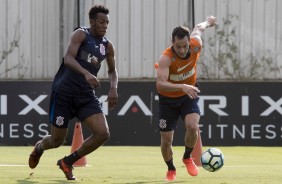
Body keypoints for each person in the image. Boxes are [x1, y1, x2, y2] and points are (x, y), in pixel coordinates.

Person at [28, 5, 118, 180]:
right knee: (56, 141)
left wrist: (114, 88)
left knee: (103, 133)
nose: (105, 25)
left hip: (85, 95)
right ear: (92, 21)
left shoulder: (107, 46)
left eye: (107, 22)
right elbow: (68, 58)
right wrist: (86, 73)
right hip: (64, 94)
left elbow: (113, 71)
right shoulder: (80, 35)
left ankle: (67, 162)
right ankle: (39, 147)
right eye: (101, 22)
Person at [156, 16, 217, 181]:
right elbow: (161, 84)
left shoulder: (196, 44)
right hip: (167, 100)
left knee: (192, 126)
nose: (182, 50)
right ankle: (170, 168)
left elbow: (199, 28)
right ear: (172, 42)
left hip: (188, 95)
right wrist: (182, 86)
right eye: (178, 46)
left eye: (185, 46)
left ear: (190, 42)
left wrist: (209, 22)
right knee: (166, 139)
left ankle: (187, 157)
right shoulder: (166, 58)